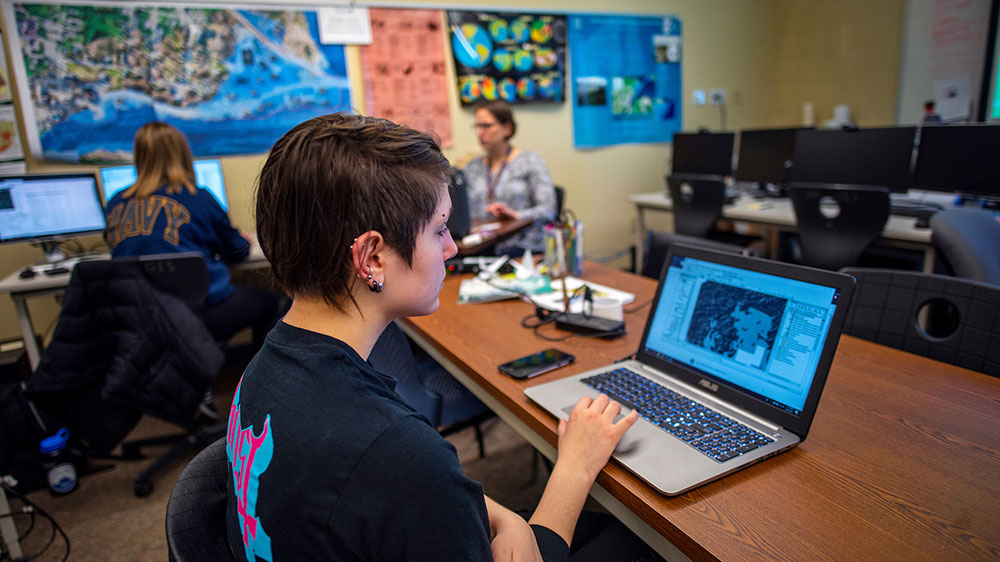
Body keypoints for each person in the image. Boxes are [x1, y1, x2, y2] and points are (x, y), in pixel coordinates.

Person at [226, 112, 652, 562]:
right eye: (440, 229)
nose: (451, 248)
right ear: (371, 259)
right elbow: (403, 472)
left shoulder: (262, 370)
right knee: (637, 539)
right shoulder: (397, 448)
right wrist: (576, 465)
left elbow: (396, 490)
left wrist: (505, 519)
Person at [104, 122, 279, 362]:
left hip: (138, 315)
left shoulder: (116, 203)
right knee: (269, 302)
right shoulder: (198, 197)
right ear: (183, 154)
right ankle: (259, 383)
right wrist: (241, 239)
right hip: (198, 312)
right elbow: (236, 251)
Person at [464, 100, 557, 255]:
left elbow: (549, 210)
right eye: (477, 127)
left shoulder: (531, 161)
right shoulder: (471, 167)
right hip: (481, 247)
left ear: (507, 128)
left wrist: (517, 216)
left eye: (486, 126)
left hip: (522, 246)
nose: (480, 133)